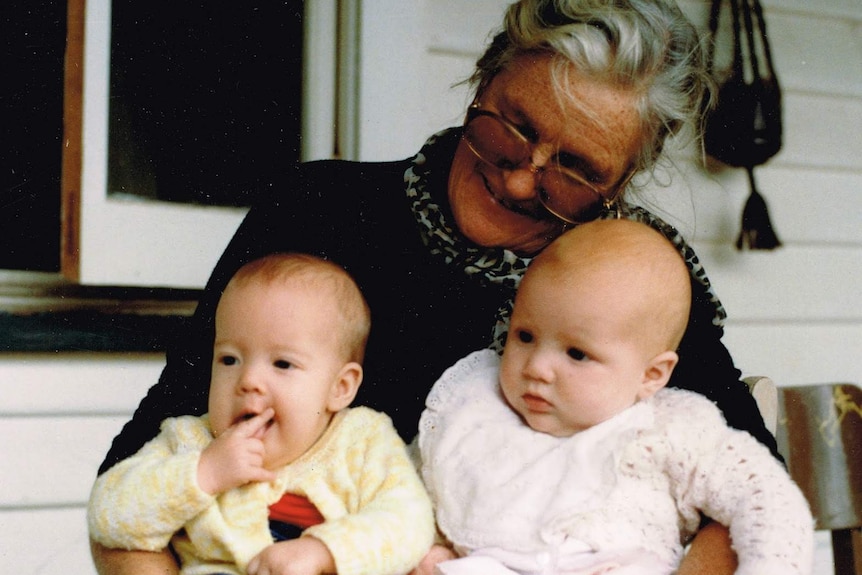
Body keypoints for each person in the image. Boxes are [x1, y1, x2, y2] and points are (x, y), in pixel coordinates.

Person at [91, 1, 780, 574]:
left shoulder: (632, 286)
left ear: (619, 185)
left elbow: (750, 493)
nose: (517, 179)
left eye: (573, 169)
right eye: (511, 127)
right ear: (480, 82)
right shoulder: (316, 211)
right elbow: (138, 473)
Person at [418, 219, 814, 575]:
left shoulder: (673, 429)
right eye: (524, 336)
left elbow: (769, 501)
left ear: (651, 375)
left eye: (576, 353)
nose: (536, 367)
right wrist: (429, 552)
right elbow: (410, 492)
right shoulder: (474, 405)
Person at [88, 254, 435, 575]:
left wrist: (323, 552)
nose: (248, 380)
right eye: (229, 359)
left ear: (340, 387)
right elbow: (108, 516)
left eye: (282, 363)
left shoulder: (363, 441)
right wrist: (202, 474)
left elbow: (410, 520)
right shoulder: (190, 441)